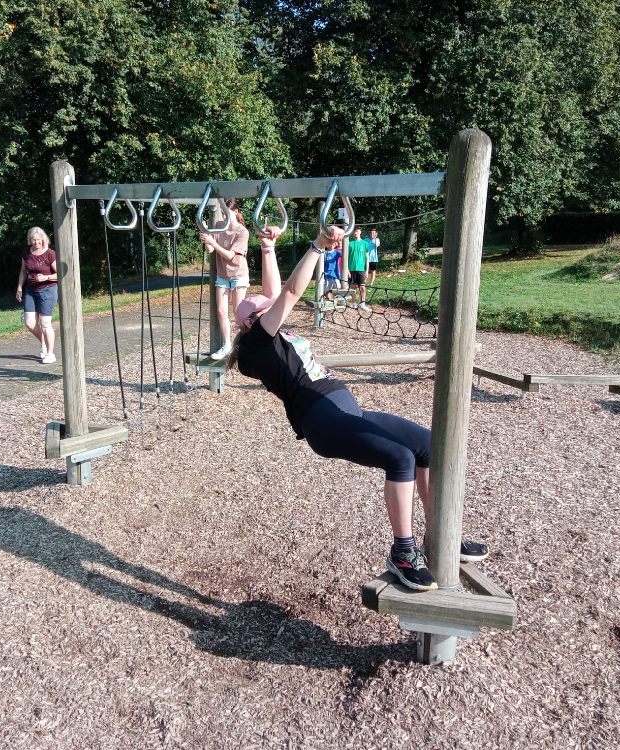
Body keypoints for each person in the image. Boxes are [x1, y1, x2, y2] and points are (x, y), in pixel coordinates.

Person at [227, 225, 488, 591]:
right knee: (400, 457)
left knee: (428, 445)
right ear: (249, 323)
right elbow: (288, 293)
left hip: (348, 411)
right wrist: (318, 245)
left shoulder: (270, 334)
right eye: (264, 310)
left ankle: (441, 536)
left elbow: (274, 294)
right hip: (323, 420)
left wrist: (267, 248)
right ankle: (403, 552)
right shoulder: (257, 345)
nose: (274, 309)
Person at [199, 198, 250, 360]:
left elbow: (229, 256)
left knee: (238, 313)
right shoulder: (219, 226)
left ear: (235, 212)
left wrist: (213, 242)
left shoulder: (242, 231)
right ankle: (227, 345)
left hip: (238, 274)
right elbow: (209, 249)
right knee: (221, 310)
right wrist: (206, 234)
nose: (223, 216)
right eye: (222, 213)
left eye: (226, 213)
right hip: (223, 275)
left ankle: (244, 345)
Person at [15, 227, 58, 364]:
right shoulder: (27, 253)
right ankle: (43, 343)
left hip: (48, 290)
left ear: (43, 239)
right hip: (31, 291)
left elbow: (60, 273)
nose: (36, 242)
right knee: (29, 322)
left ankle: (50, 353)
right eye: (33, 240)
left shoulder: (50, 254)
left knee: (45, 323)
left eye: (38, 240)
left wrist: (46, 278)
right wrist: (19, 288)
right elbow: (23, 271)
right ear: (30, 240)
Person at [346, 227, 370, 311]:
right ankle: (353, 303)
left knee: (362, 287)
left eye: (357, 231)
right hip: (352, 269)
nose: (355, 233)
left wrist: (367, 270)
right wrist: (347, 270)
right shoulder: (350, 243)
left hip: (361, 269)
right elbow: (346, 257)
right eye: (354, 232)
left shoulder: (365, 243)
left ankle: (363, 304)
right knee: (352, 287)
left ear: (360, 232)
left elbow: (367, 258)